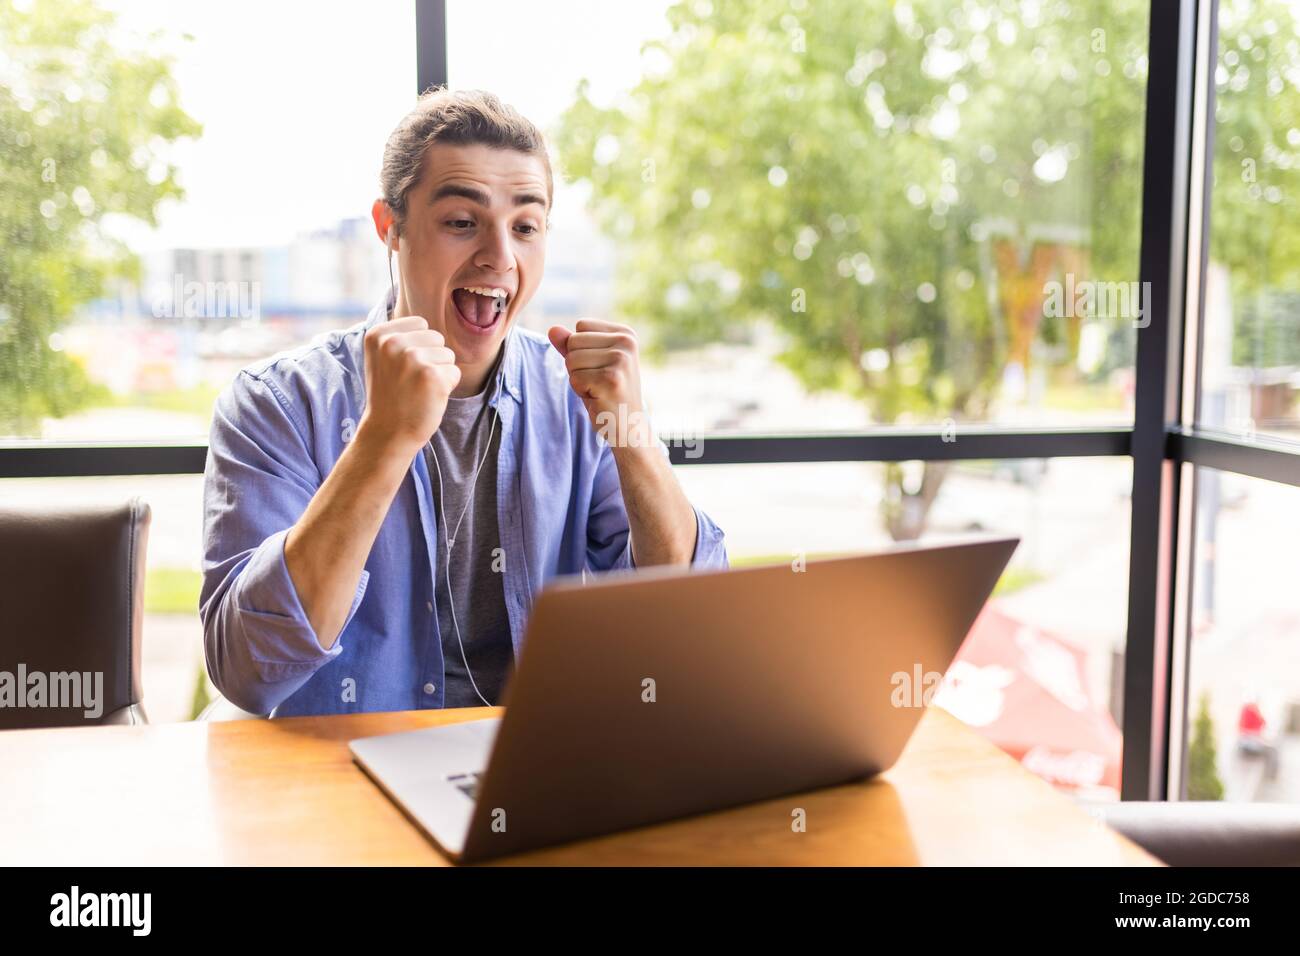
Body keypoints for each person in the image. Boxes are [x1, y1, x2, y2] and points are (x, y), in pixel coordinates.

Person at [200, 88, 727, 717]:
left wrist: (631, 432)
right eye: (461, 222)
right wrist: (382, 440)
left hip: (530, 770)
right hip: (342, 782)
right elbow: (247, 669)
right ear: (389, 228)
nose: (500, 256)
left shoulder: (574, 398)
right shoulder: (276, 405)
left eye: (525, 226)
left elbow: (687, 622)